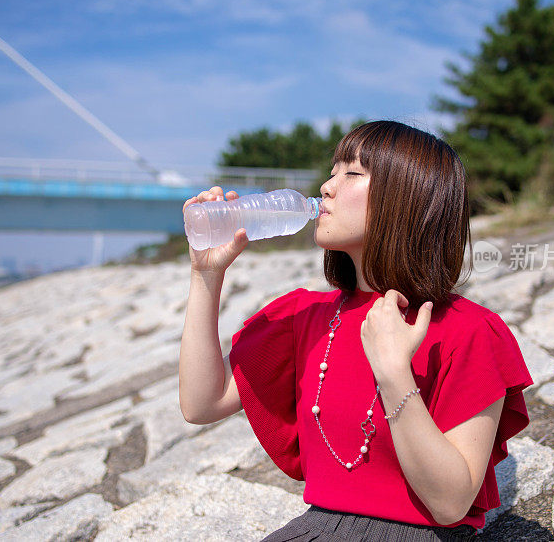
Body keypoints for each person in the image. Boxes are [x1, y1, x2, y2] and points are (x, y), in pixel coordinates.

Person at [179, 121, 533, 540]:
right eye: (333, 170)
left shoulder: (469, 329)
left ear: (406, 199)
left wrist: (393, 372)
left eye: (351, 173)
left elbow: (450, 503)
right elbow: (202, 404)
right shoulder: (302, 316)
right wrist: (206, 275)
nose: (327, 187)